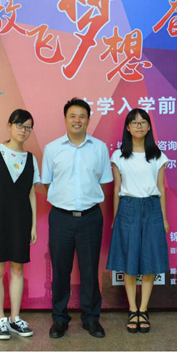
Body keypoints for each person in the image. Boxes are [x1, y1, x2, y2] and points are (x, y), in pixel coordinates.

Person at [42, 98, 113, 339]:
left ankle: (91, 319)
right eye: (72, 115)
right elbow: (47, 182)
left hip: (90, 217)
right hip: (60, 218)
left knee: (90, 270)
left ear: (88, 120)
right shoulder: (52, 149)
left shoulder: (99, 148)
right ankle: (59, 319)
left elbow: (104, 181)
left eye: (82, 116)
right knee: (60, 270)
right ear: (65, 119)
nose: (77, 120)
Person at [0, 109, 40, 340]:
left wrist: (33, 225)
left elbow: (31, 194)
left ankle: (15, 319)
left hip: (21, 220)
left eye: (28, 127)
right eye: (19, 125)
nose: (23, 130)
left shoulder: (31, 159)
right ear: (9, 126)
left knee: (18, 269)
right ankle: (0, 320)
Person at [106, 108, 170, 333]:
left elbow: (161, 188)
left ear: (149, 127)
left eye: (143, 122)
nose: (139, 126)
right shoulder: (119, 155)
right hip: (128, 208)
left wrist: (164, 219)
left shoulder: (158, 156)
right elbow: (117, 188)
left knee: (150, 261)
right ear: (128, 127)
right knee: (130, 262)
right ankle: (132, 310)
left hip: (152, 208)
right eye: (134, 122)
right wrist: (116, 217)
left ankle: (144, 310)